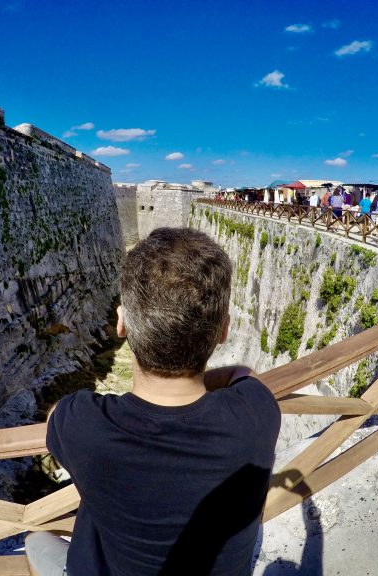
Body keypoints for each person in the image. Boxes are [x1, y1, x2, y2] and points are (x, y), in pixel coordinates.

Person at [26, 227, 281, 576]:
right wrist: (213, 378)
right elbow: (245, 375)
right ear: (223, 331)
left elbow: (56, 414)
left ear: (121, 324)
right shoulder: (258, 413)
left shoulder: (84, 427)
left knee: (35, 541)